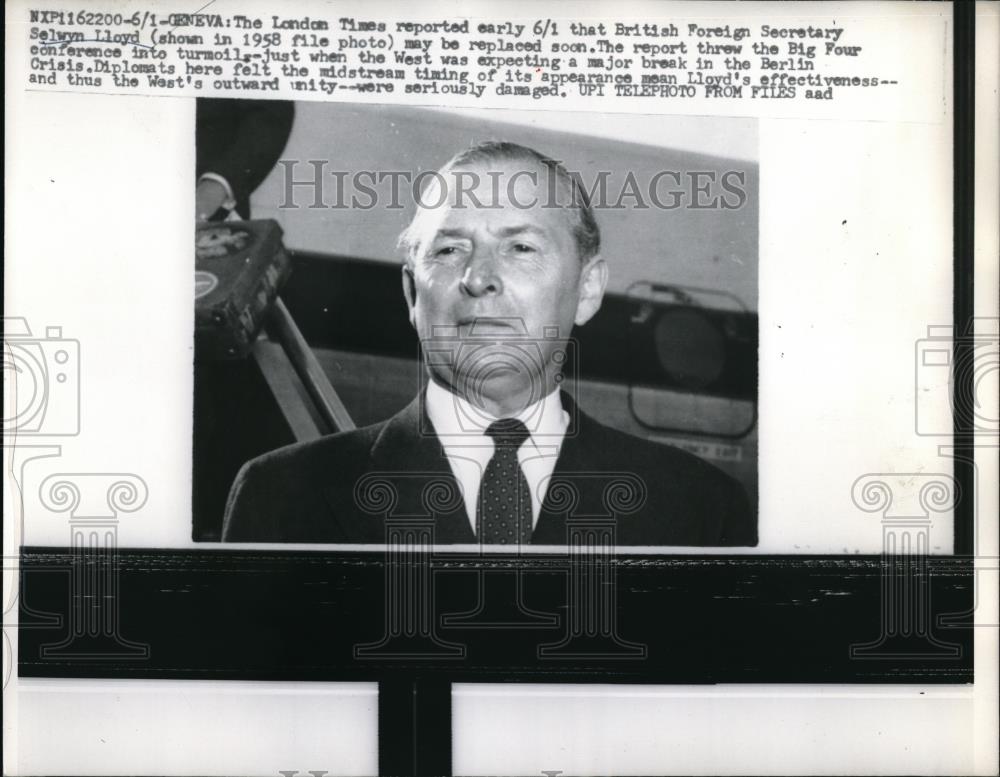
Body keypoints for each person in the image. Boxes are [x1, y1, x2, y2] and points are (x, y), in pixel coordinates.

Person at [222, 141, 755, 546]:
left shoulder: (702, 510)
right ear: (413, 291)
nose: (479, 278)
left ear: (588, 290)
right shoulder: (279, 495)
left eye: (520, 247)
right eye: (450, 250)